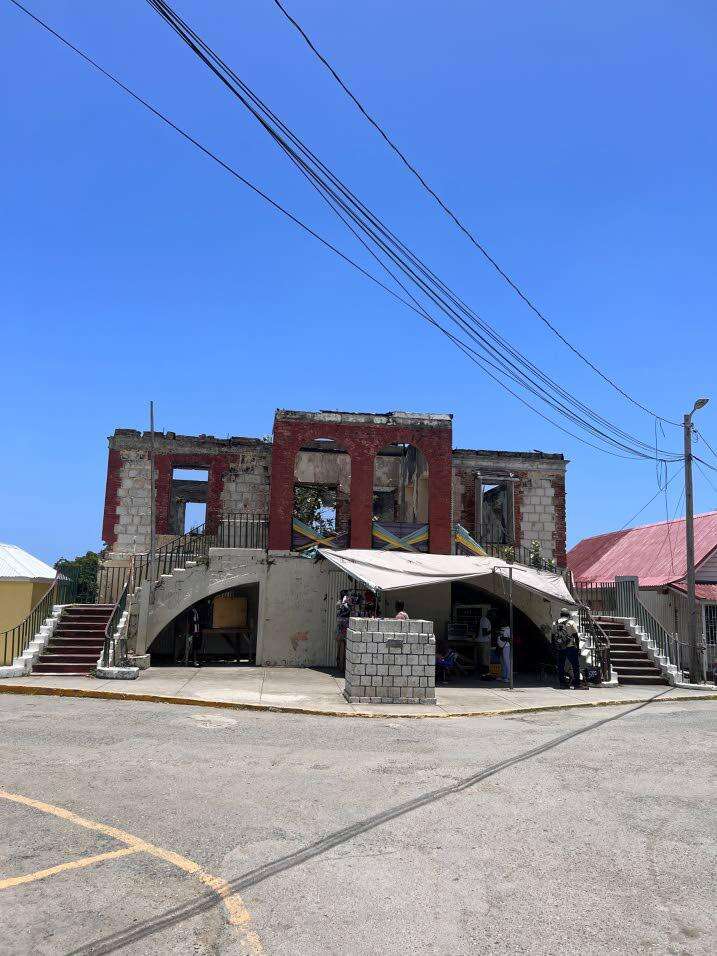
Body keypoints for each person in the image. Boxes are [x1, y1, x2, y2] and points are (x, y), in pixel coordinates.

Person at [551, 608, 585, 689]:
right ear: (568, 615)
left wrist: (554, 647)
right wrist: (578, 647)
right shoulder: (571, 622)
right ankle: (577, 684)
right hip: (570, 647)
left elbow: (552, 636)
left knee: (560, 666)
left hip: (560, 647)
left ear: (561, 614)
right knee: (575, 665)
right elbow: (576, 636)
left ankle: (562, 683)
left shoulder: (555, 623)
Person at [335, 590, 351, 671]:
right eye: (347, 595)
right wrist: (344, 603)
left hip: (345, 627)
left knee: (344, 648)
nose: (348, 596)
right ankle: (340, 666)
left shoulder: (347, 603)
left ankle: (343, 666)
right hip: (341, 628)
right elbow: (340, 611)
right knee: (340, 647)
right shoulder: (340, 603)